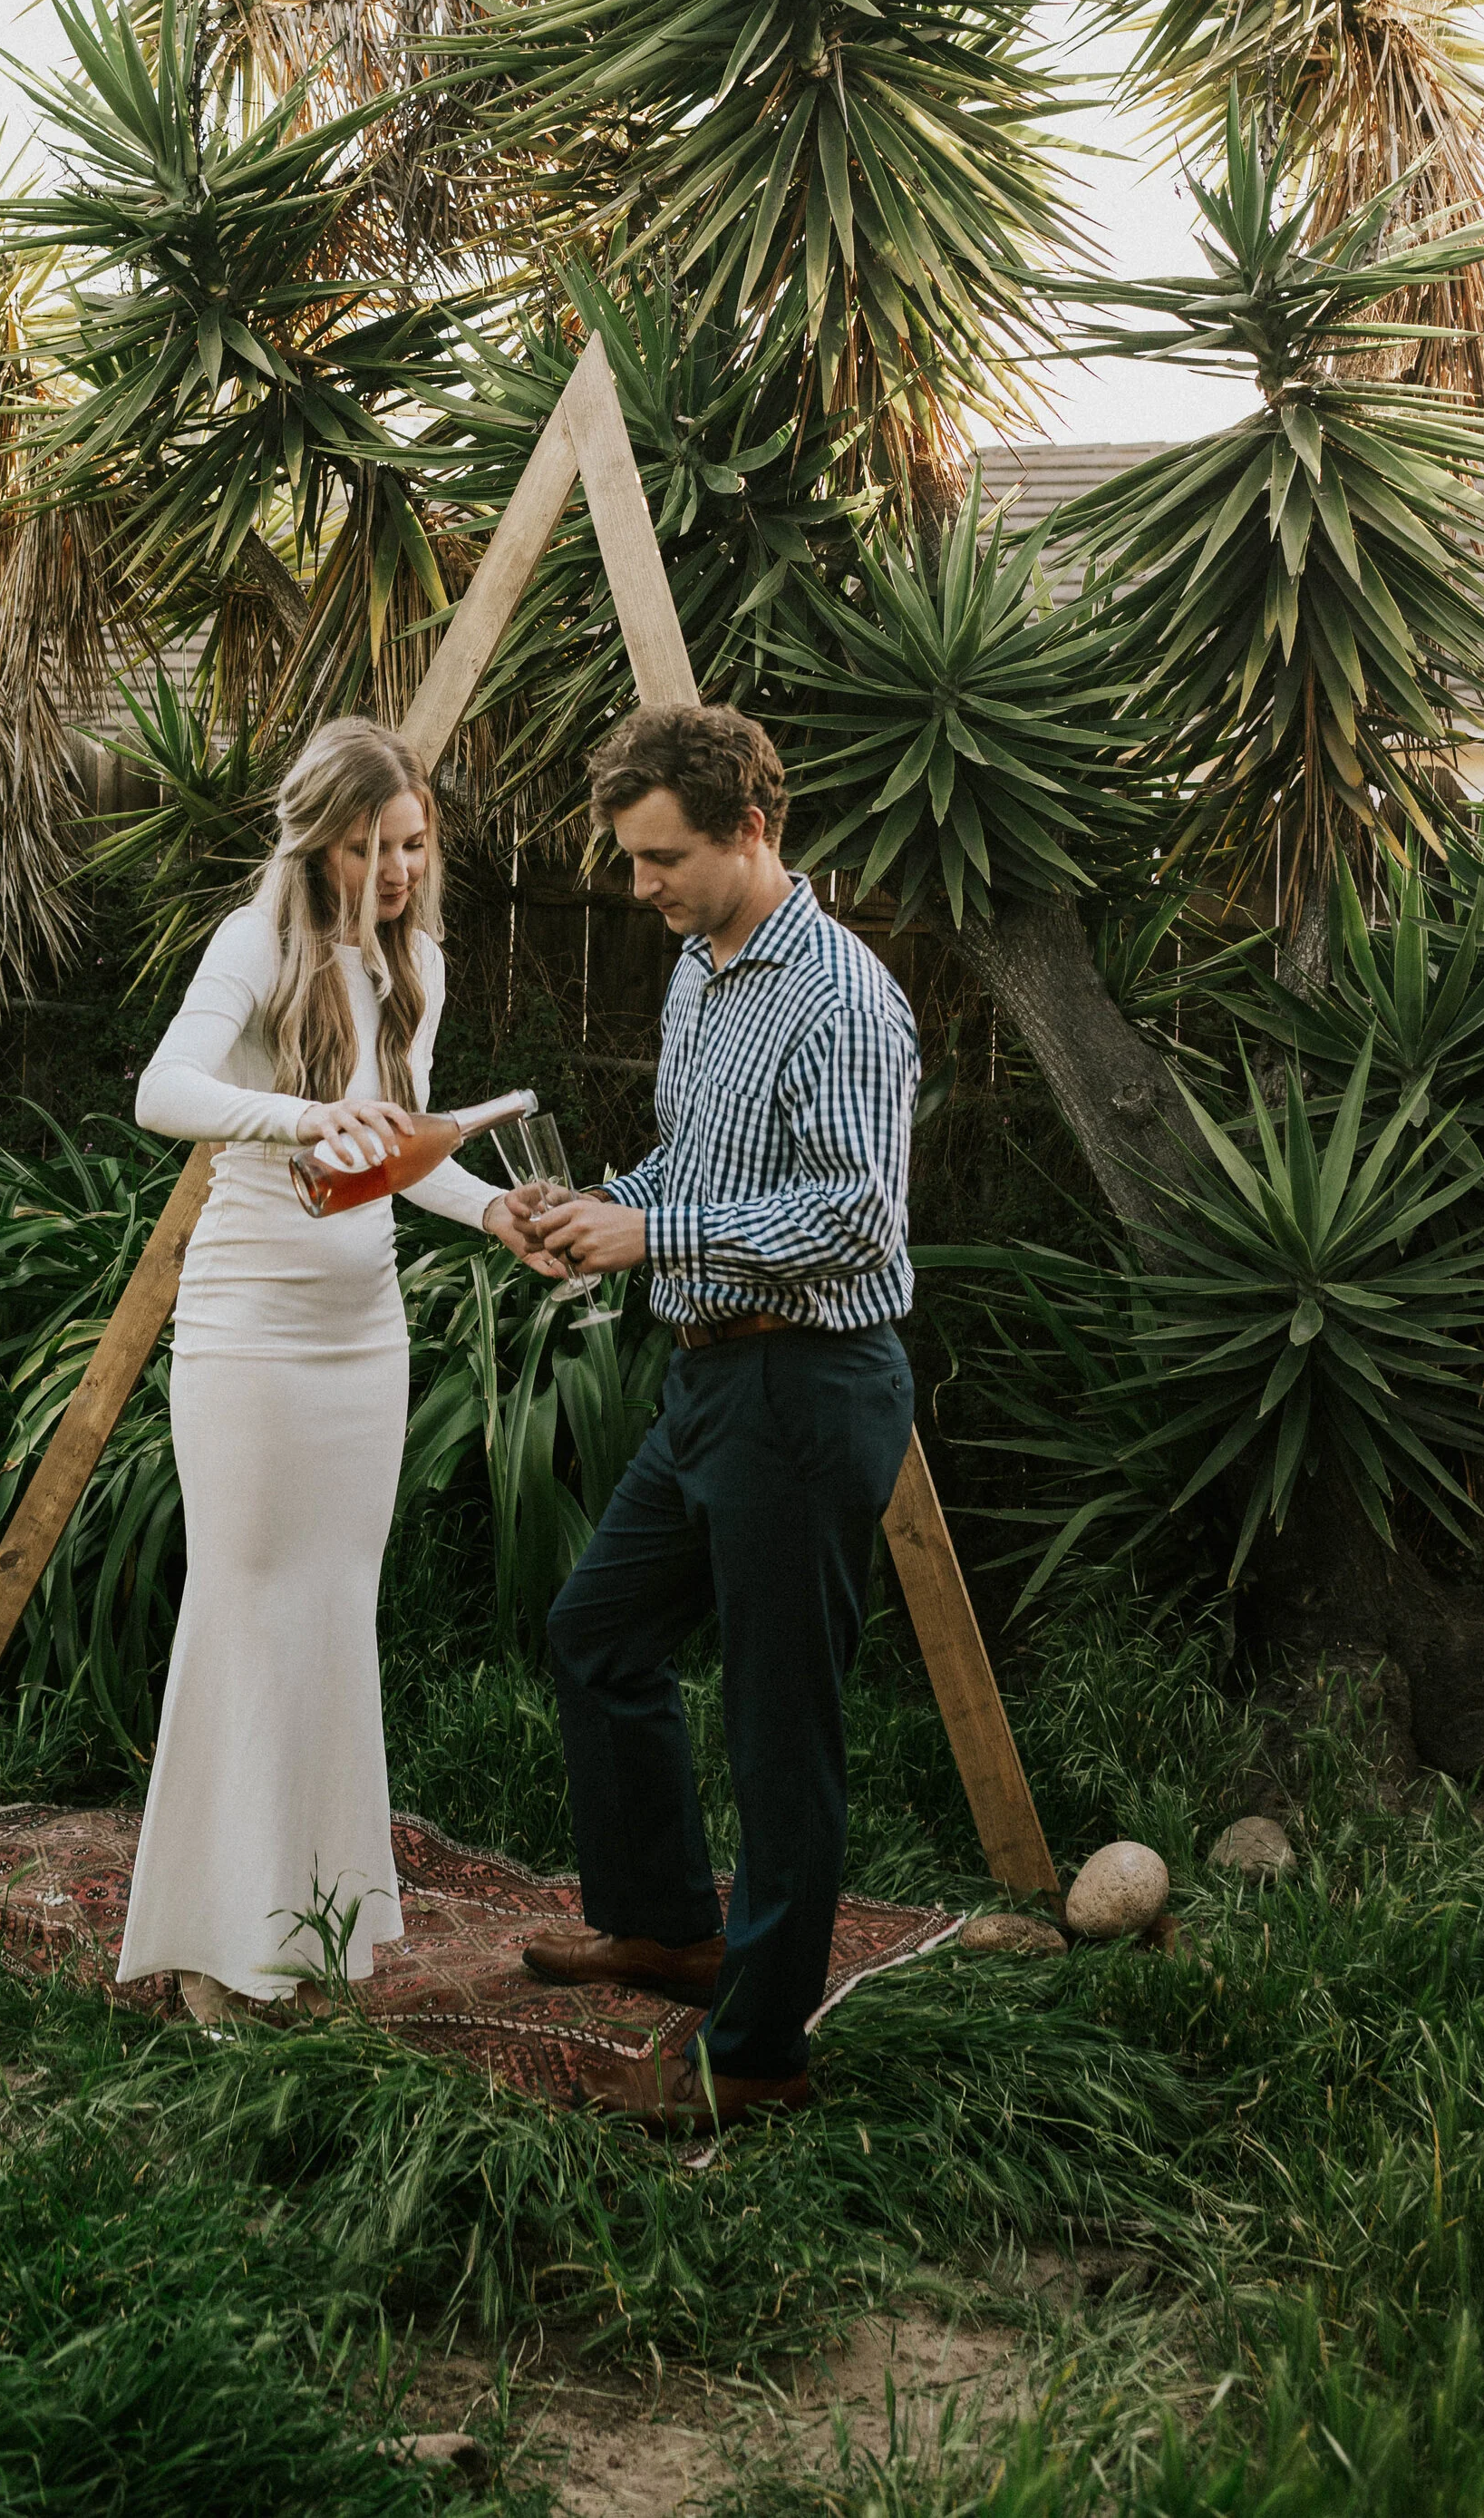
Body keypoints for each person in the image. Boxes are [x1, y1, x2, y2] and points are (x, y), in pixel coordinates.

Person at [497, 704, 918, 2133]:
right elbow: (705, 1154)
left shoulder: (845, 996)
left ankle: (757, 2051)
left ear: (754, 827)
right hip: (709, 1381)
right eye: (628, 859)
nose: (640, 887)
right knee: (596, 1632)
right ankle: (669, 1923)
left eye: (662, 856)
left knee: (776, 1727)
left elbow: (859, 1216)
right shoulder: (700, 964)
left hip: (808, 1389)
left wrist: (657, 1230)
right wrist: (608, 1203)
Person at [116, 716, 538, 2018]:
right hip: (249, 1333)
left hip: (366, 1342)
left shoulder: (418, 964)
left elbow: (401, 1150)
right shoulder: (257, 943)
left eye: (410, 842)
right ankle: (209, 1950)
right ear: (318, 842)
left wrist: (494, 1213)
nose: (394, 868)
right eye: (366, 845)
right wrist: (301, 1112)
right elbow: (163, 1089)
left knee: (332, 1620)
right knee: (244, 1613)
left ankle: (316, 1934)